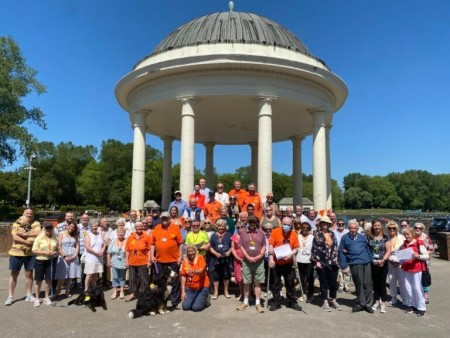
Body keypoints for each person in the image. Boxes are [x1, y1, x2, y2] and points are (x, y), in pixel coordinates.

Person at [5, 209, 41, 306]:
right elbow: (15, 236)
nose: (29, 215)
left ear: (32, 215)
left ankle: (28, 295)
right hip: (16, 252)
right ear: (23, 214)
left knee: (29, 274)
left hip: (30, 253)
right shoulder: (16, 223)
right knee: (14, 274)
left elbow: (38, 233)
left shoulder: (36, 223)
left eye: (30, 213)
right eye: (27, 213)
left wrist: (24, 234)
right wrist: (27, 242)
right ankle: (10, 296)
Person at [339, 219, 373, 313]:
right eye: (351, 228)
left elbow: (368, 249)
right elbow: (341, 252)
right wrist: (343, 265)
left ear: (358, 228)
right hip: (354, 263)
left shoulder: (362, 237)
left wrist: (371, 259)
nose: (353, 230)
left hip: (366, 262)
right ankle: (361, 303)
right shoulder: (344, 238)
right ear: (348, 228)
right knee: (359, 284)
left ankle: (368, 304)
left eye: (355, 228)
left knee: (368, 284)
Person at [150, 212, 183, 308]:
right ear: (160, 219)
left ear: (169, 218)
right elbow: (152, 243)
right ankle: (161, 299)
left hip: (173, 260)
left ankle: (174, 300)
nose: (164, 220)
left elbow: (180, 243)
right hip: (159, 261)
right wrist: (152, 255)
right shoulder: (156, 228)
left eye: (166, 218)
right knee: (160, 281)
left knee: (174, 280)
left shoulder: (175, 228)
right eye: (163, 218)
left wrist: (180, 256)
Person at [268, 217, 302, 311]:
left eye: (288, 225)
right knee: (275, 283)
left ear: (291, 225)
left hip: (288, 262)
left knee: (290, 283)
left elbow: (296, 248)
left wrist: (291, 254)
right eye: (285, 224)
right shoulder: (275, 232)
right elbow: (271, 245)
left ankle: (291, 301)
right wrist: (271, 259)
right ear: (281, 223)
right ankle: (276, 301)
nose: (286, 226)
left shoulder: (294, 234)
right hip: (276, 262)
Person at [236, 216, 266, 313]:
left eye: (254, 222)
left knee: (257, 282)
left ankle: (258, 303)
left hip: (259, 261)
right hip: (247, 261)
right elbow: (241, 246)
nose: (252, 224)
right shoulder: (243, 232)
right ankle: (245, 302)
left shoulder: (261, 232)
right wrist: (248, 257)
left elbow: (264, 245)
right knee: (246, 282)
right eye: (251, 222)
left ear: (256, 223)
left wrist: (260, 255)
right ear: (248, 223)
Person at [311, 215, 341, 311]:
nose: (325, 224)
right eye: (323, 223)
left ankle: (334, 300)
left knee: (333, 283)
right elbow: (314, 249)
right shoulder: (317, 234)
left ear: (329, 224)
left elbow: (335, 247)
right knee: (323, 283)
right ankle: (325, 302)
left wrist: (336, 259)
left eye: (326, 223)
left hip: (332, 262)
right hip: (322, 262)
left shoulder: (332, 234)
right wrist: (316, 261)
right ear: (320, 224)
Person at [401, 227, 429, 316]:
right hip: (406, 268)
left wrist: (418, 256)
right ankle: (412, 305)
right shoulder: (405, 243)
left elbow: (426, 256)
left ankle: (421, 307)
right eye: (405, 234)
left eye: (408, 234)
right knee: (408, 288)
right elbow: (401, 255)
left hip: (416, 269)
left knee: (417, 288)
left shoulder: (418, 242)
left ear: (412, 234)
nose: (406, 236)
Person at [367, 220, 391, 313]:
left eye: (378, 225)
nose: (377, 227)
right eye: (375, 225)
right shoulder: (369, 237)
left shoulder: (386, 238)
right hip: (373, 263)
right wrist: (372, 260)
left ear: (381, 227)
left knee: (382, 283)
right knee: (375, 283)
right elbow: (368, 249)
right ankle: (376, 301)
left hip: (383, 263)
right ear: (372, 227)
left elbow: (388, 250)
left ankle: (383, 303)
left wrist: (383, 260)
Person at [31, 223, 58, 307]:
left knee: (48, 280)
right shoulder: (39, 238)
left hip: (50, 261)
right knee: (38, 280)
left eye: (50, 228)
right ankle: (37, 298)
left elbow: (57, 248)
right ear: (44, 229)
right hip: (40, 261)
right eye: (47, 228)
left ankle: (46, 298)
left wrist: (54, 252)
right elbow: (34, 250)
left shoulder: (54, 237)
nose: (49, 230)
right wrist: (45, 252)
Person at [125, 221, 151, 302]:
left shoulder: (146, 237)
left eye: (140, 226)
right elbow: (127, 250)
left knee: (144, 279)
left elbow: (149, 250)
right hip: (132, 261)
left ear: (142, 227)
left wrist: (149, 261)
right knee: (132, 279)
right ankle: (132, 294)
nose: (139, 228)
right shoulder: (131, 237)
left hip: (143, 261)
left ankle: (144, 294)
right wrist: (126, 261)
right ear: (135, 228)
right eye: (137, 226)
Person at [180, 245, 211, 312]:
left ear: (195, 251)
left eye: (192, 251)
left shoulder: (200, 257)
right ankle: (195, 299)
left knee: (196, 308)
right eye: (189, 251)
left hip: (202, 287)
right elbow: (183, 276)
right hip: (190, 288)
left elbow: (200, 271)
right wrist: (183, 291)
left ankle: (206, 298)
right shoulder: (185, 261)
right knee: (185, 307)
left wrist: (193, 271)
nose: (191, 253)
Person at [55, 221, 80, 298]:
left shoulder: (75, 236)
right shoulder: (61, 234)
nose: (71, 228)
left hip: (73, 256)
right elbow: (59, 246)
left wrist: (74, 256)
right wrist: (64, 256)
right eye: (70, 226)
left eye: (73, 227)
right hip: (63, 256)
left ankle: (67, 291)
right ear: (67, 226)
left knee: (70, 275)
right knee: (62, 276)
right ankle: (57, 292)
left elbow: (77, 246)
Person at [209, 219, 232, 299]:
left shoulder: (229, 235)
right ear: (216, 227)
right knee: (216, 276)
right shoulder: (213, 235)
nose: (221, 228)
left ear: (225, 227)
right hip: (216, 259)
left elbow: (233, 246)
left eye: (223, 226)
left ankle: (226, 291)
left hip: (226, 259)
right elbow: (210, 247)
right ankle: (216, 292)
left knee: (226, 275)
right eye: (219, 226)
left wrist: (229, 251)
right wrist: (216, 253)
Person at [386, 220, 407, 307]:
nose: (391, 230)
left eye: (393, 228)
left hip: (401, 262)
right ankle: (393, 297)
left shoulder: (402, 237)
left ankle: (404, 298)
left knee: (402, 281)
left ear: (397, 228)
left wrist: (399, 262)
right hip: (390, 261)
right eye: (389, 228)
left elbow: (406, 250)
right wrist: (390, 260)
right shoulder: (386, 238)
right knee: (392, 280)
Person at [413, 222, 433, 304]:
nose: (417, 229)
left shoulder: (426, 238)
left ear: (422, 229)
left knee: (424, 278)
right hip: (414, 262)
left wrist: (422, 255)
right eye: (416, 228)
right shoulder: (411, 236)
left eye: (420, 228)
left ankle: (426, 294)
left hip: (424, 261)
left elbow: (431, 250)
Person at [84, 222, 106, 291]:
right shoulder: (88, 235)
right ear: (90, 227)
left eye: (96, 226)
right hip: (91, 257)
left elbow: (104, 244)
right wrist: (96, 253)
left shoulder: (100, 235)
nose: (94, 227)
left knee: (96, 273)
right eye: (93, 226)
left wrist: (102, 251)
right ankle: (86, 289)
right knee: (89, 274)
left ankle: (93, 287)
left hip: (99, 257)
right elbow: (87, 247)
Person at [296, 221, 314, 303]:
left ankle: (310, 295)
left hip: (309, 261)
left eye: (307, 228)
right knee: (301, 279)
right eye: (303, 228)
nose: (305, 229)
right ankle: (303, 294)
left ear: (309, 229)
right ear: (301, 229)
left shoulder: (312, 237)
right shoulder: (297, 236)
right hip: (300, 260)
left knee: (310, 278)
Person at [107, 228, 127, 299]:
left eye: (122, 232)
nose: (121, 234)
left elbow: (128, 253)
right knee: (115, 278)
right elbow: (109, 252)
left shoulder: (127, 241)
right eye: (119, 232)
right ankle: (114, 291)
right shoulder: (113, 241)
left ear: (124, 233)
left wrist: (127, 262)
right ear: (117, 233)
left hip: (123, 263)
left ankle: (122, 291)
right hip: (114, 263)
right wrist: (109, 261)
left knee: (122, 277)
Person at [333, 219, 350, 292]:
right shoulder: (334, 232)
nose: (341, 225)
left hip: (346, 253)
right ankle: (341, 285)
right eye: (339, 224)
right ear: (337, 224)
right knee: (339, 270)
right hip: (337, 253)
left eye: (342, 224)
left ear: (344, 224)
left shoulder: (348, 232)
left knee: (347, 269)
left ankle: (347, 286)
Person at [231, 222, 245, 301]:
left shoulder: (247, 236)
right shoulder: (234, 236)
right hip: (237, 259)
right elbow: (232, 248)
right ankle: (241, 293)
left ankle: (249, 294)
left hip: (246, 259)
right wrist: (237, 257)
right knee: (239, 278)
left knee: (247, 277)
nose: (240, 228)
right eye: (238, 227)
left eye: (242, 227)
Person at [77, 213, 91, 290]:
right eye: (83, 218)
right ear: (81, 218)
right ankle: (74, 284)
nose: (85, 219)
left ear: (88, 219)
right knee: (76, 267)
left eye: (86, 218)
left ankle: (83, 284)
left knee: (85, 268)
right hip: (78, 250)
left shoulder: (90, 227)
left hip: (87, 251)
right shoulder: (77, 226)